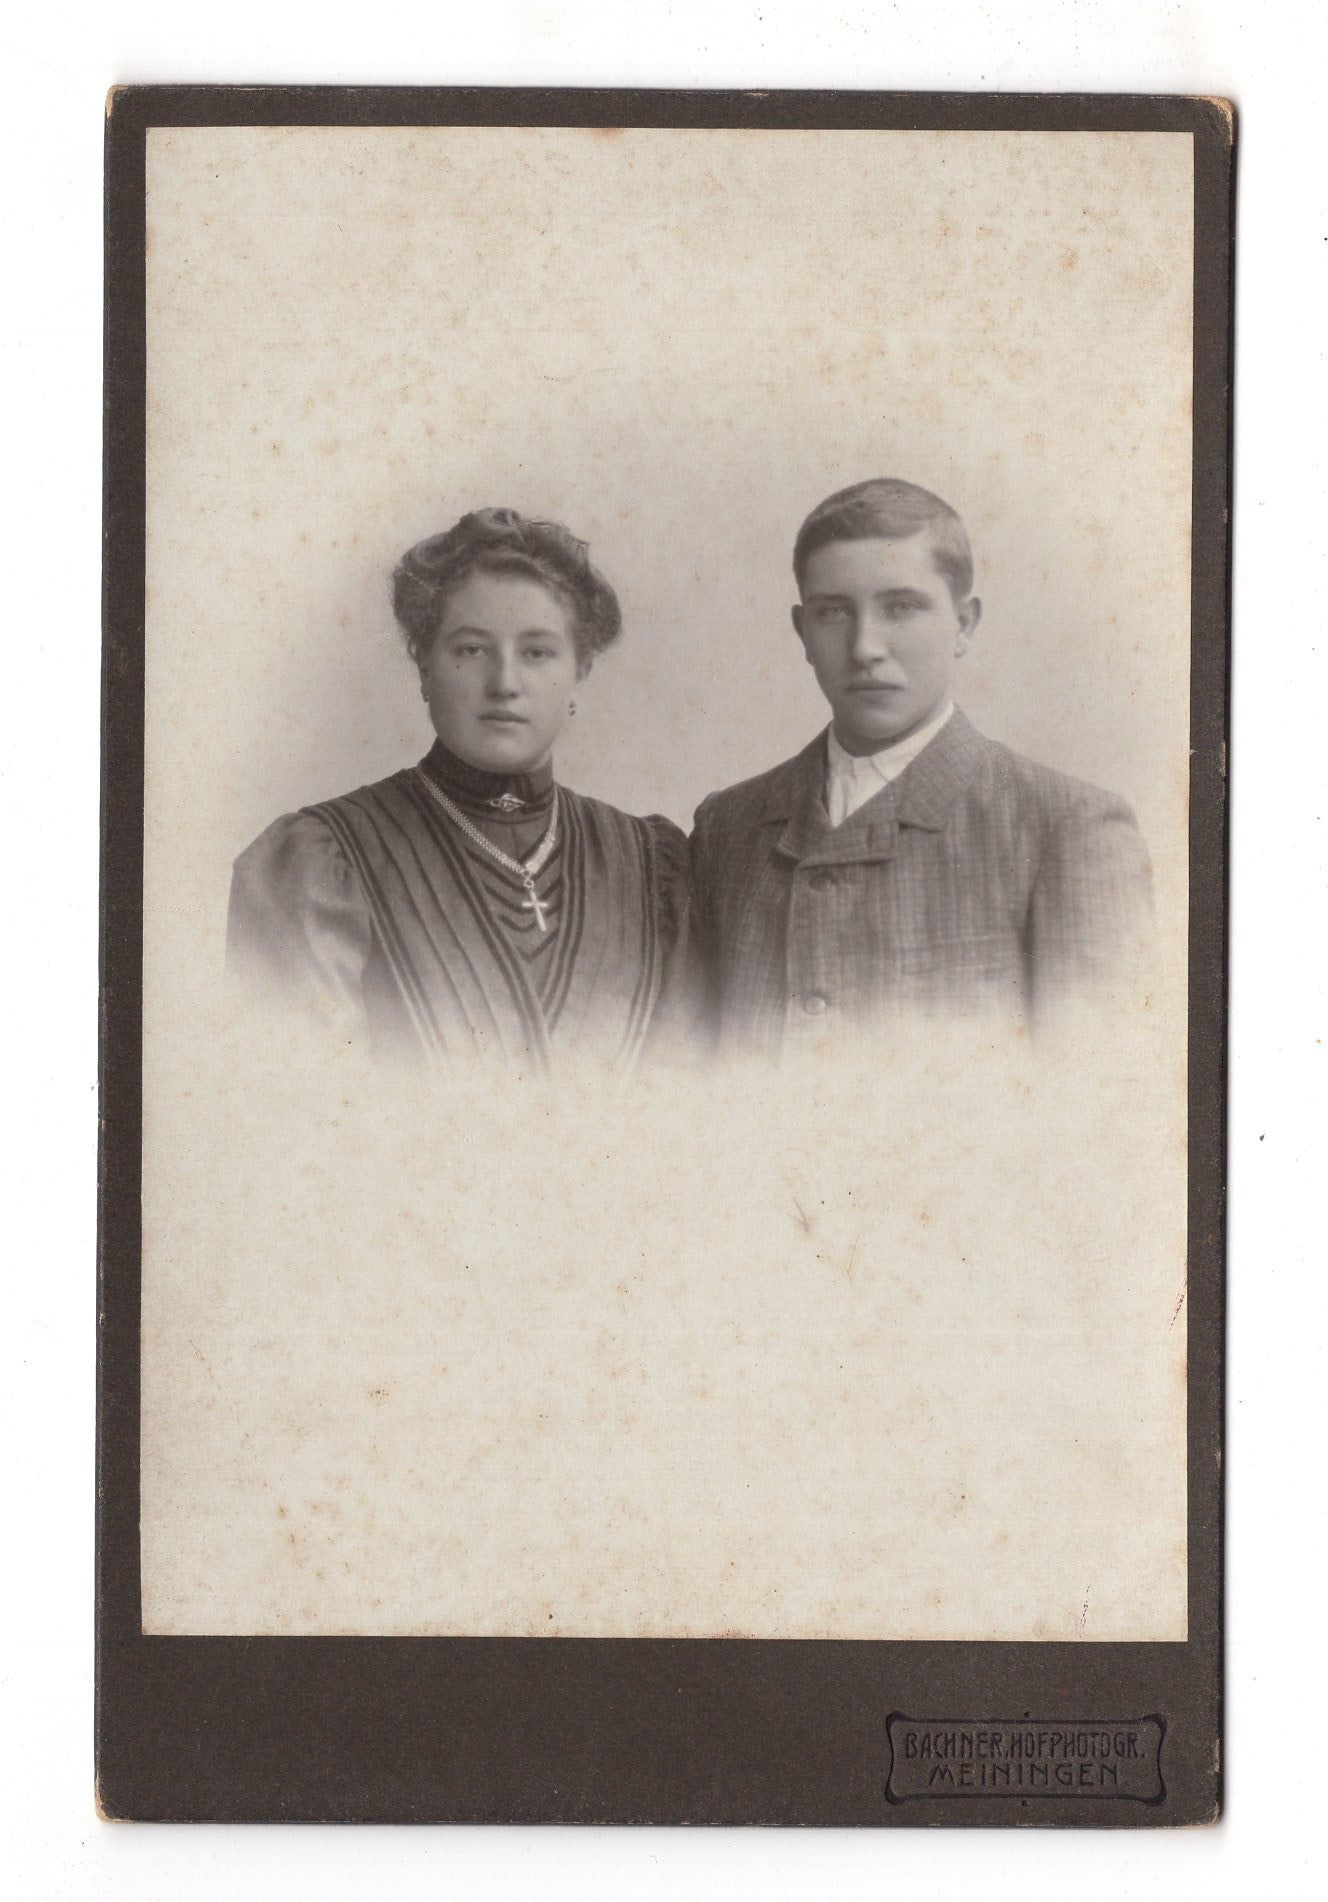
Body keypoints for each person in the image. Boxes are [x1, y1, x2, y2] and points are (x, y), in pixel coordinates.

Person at [690, 478, 1153, 1056]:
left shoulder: (1067, 825)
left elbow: (1099, 1090)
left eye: (900, 608)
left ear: (964, 624)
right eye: (833, 612)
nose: (865, 647)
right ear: (802, 631)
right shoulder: (726, 828)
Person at [229, 508, 690, 1071]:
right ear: (425, 665)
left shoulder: (649, 867)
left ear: (580, 671)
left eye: (537, 652)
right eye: (471, 650)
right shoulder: (320, 862)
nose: (505, 683)